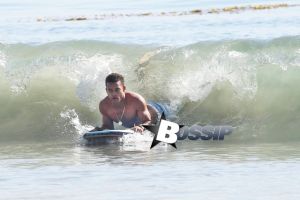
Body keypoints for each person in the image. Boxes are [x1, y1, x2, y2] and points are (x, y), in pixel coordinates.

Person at [93, 73, 165, 133]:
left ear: (124, 88)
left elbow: (148, 121)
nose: (113, 94)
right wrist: (99, 130)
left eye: (117, 90)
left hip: (158, 112)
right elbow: (108, 127)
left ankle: (141, 72)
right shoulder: (104, 106)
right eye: (110, 90)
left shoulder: (136, 100)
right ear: (106, 90)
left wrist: (140, 127)